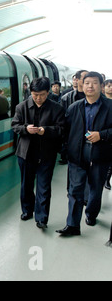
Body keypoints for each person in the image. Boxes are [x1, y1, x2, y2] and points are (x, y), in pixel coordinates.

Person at [56, 72, 112, 236]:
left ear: (101, 86)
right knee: (75, 190)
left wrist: (101, 135)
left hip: (101, 154)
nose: (90, 86)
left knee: (95, 188)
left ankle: (91, 214)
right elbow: (65, 132)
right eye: (87, 83)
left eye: (94, 83)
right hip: (78, 154)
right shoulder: (75, 107)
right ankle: (73, 225)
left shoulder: (110, 107)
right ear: (82, 84)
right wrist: (66, 151)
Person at [11, 77, 65, 229]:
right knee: (26, 185)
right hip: (25, 153)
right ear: (31, 93)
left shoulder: (57, 108)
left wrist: (45, 131)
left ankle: (41, 217)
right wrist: (25, 129)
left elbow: (61, 130)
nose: (38, 98)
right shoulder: (21, 107)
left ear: (48, 92)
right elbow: (15, 126)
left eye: (41, 94)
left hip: (46, 154)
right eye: (35, 95)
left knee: (44, 186)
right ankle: (27, 210)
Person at [104, 79, 112, 190]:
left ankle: (107, 179)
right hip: (102, 136)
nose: (110, 88)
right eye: (108, 85)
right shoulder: (100, 101)